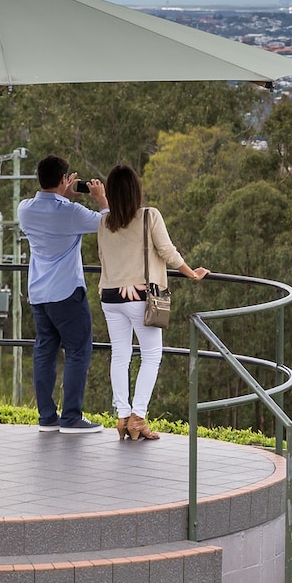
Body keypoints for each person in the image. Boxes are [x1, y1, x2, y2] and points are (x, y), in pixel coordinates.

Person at [96, 162, 208, 441]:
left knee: (120, 355)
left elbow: (103, 257)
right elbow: (168, 252)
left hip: (110, 297)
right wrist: (191, 273)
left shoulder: (103, 221)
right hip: (141, 297)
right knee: (151, 356)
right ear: (135, 190)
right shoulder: (149, 216)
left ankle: (122, 416)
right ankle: (138, 418)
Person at [16, 154, 108, 435]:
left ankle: (47, 417)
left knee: (44, 352)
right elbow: (107, 224)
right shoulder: (71, 213)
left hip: (39, 294)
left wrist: (64, 197)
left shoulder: (25, 209)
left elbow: (55, 212)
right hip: (67, 293)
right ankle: (71, 418)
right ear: (62, 179)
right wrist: (101, 198)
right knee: (78, 351)